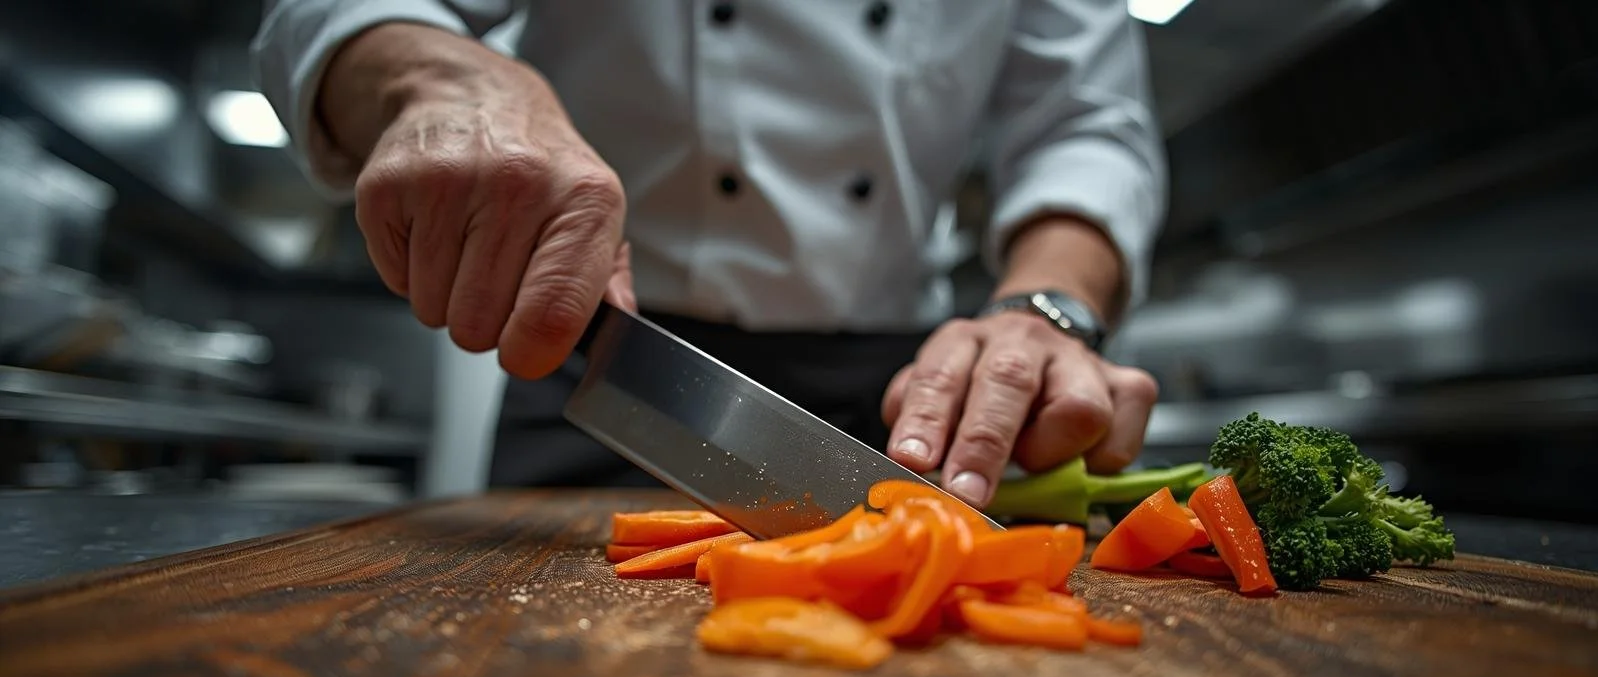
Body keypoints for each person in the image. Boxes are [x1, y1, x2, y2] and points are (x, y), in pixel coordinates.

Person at [252, 1, 1167, 508]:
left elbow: (1086, 126)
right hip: (608, 359)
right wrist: (439, 78)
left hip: (908, 410)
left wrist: (1047, 307)